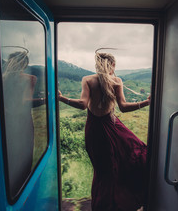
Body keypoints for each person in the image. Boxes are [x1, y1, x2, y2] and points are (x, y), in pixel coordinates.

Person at [58, 50, 150, 211]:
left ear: (96, 65)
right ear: (112, 65)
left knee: (102, 172)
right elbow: (124, 107)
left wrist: (61, 98)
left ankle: (103, 206)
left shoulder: (87, 80)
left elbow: (82, 104)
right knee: (134, 155)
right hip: (113, 127)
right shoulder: (116, 80)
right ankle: (123, 202)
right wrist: (146, 103)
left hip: (94, 130)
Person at [2, 50, 46, 197]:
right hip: (23, 123)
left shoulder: (2, 79)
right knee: (25, 160)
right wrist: (45, 100)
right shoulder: (30, 78)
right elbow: (25, 103)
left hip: (6, 122)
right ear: (25, 64)